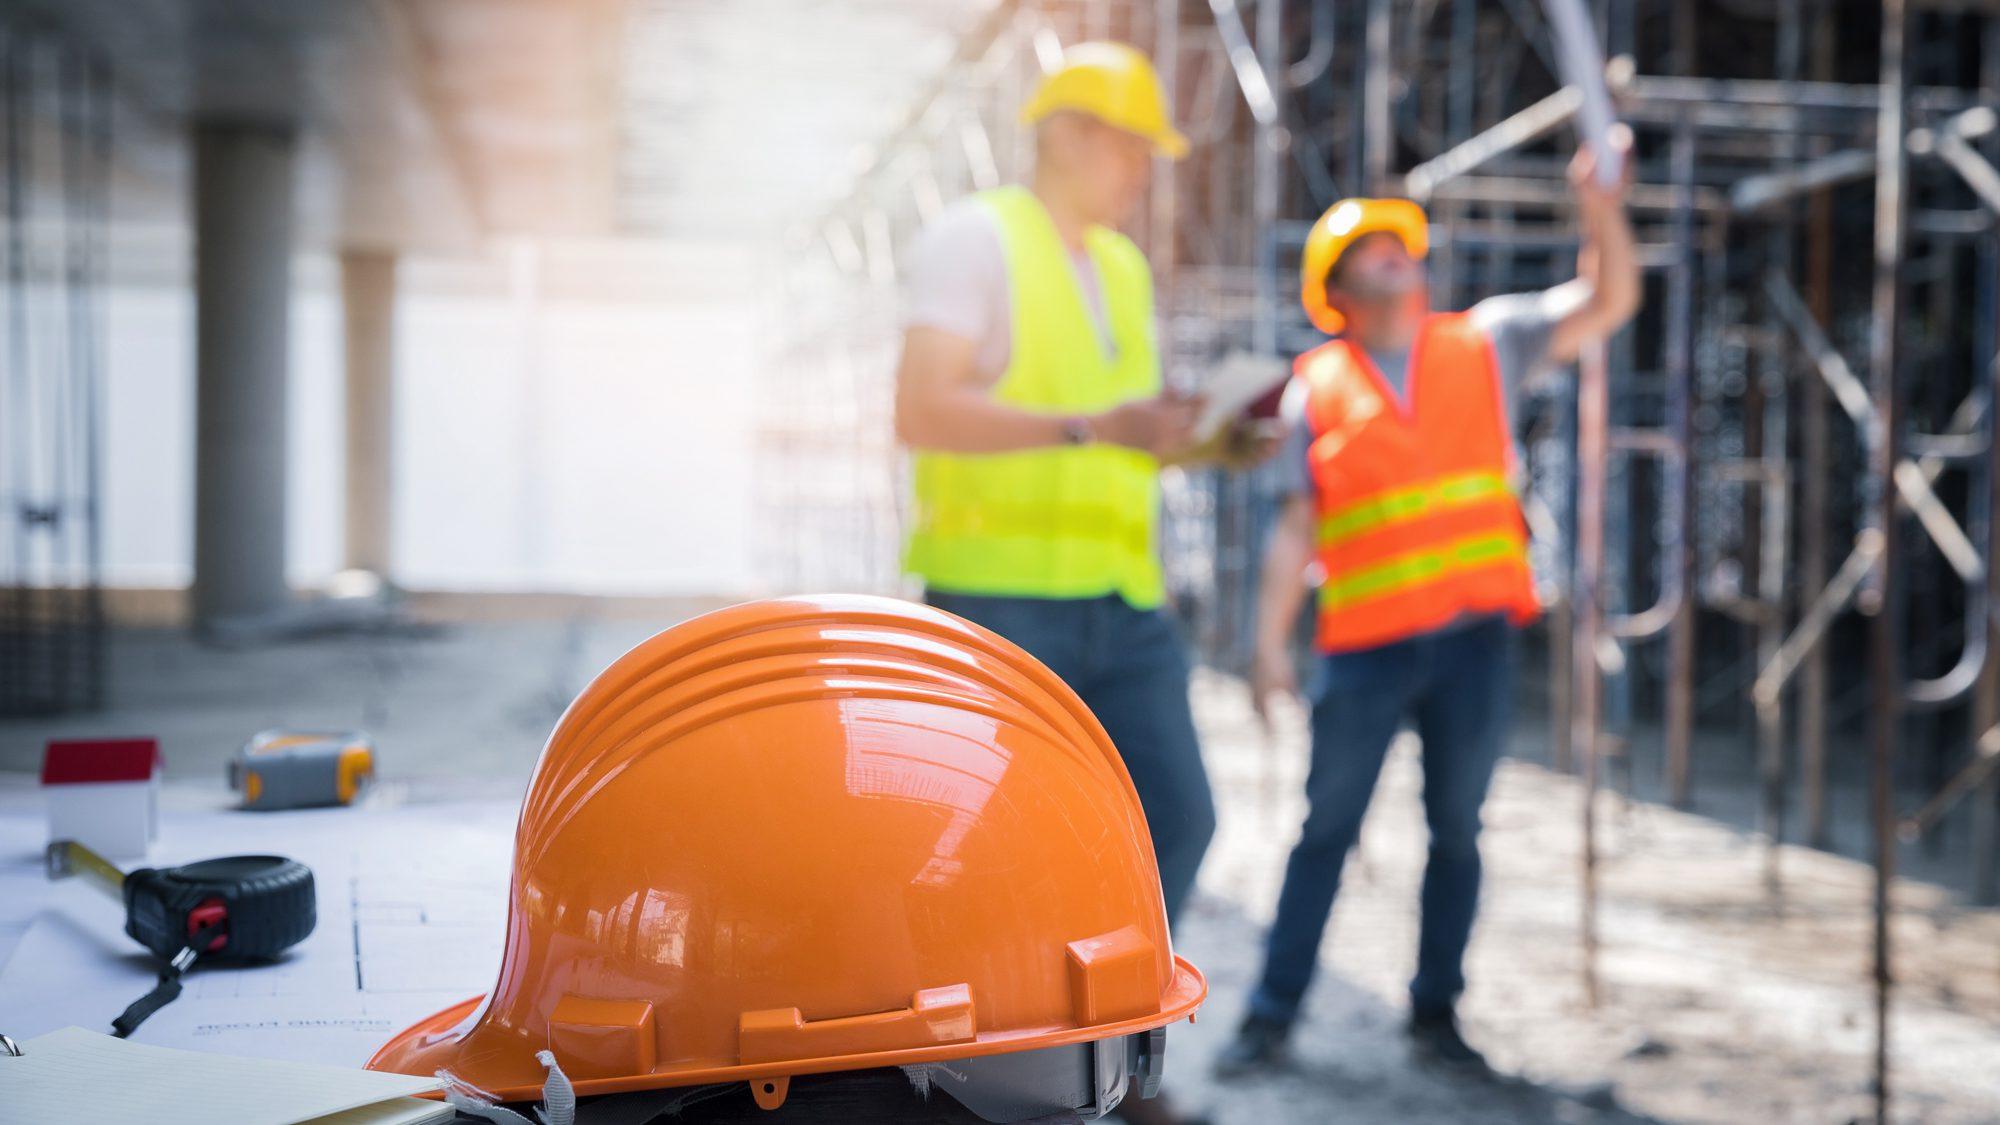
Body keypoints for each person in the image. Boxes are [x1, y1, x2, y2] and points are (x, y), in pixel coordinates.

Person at [1216, 133, 1639, 1076]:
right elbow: (1296, 527)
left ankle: (1435, 1015)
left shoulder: (1484, 343)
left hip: (1471, 644)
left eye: (1401, 247)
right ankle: (1270, 1016)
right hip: (1364, 651)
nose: (1398, 258)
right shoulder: (1309, 392)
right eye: (1376, 249)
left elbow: (1609, 298)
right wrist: (1268, 647)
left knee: (1458, 831)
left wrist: (1599, 206)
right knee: (1325, 831)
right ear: (1341, 286)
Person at [893, 41, 1249, 1125]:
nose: (1143, 170)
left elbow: (1120, 438)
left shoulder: (1123, 269)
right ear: (1068, 137)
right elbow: (919, 410)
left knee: (1174, 819)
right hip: (999, 603)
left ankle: (1119, 1067)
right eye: (1131, 146)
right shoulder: (974, 240)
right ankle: (979, 1075)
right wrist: (1100, 425)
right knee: (989, 858)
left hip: (1119, 602)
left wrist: (1211, 443)